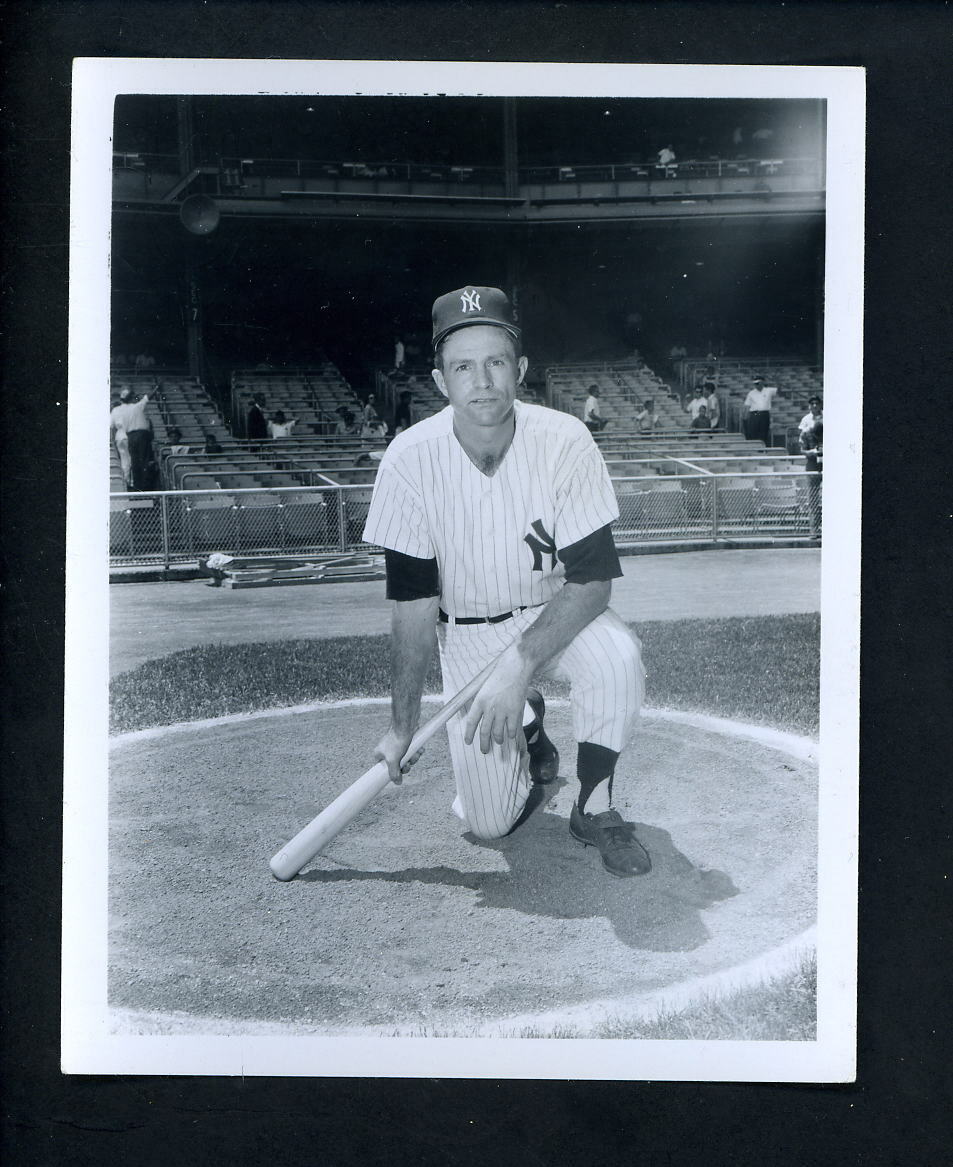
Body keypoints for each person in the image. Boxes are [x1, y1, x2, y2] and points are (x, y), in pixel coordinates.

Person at [362, 285, 650, 878]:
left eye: (495, 361)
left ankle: (595, 806)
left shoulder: (566, 440)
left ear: (519, 369)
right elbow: (414, 607)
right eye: (463, 366)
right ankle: (529, 729)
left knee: (619, 659)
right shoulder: (408, 460)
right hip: (466, 634)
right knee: (488, 824)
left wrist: (518, 667)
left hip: (556, 612)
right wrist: (401, 728)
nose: (482, 380)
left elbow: (593, 584)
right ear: (441, 380)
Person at [109, 386, 154, 490]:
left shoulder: (116, 410)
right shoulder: (135, 407)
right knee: (137, 461)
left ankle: (127, 483)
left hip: (121, 435)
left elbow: (111, 426)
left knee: (126, 461)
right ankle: (136, 484)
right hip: (130, 434)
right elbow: (147, 398)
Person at [798, 401, 823, 535]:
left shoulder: (831, 430)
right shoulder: (805, 433)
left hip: (830, 464)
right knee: (813, 497)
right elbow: (802, 450)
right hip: (812, 464)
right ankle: (813, 530)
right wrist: (812, 452)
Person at [742, 375, 778, 444]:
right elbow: (747, 405)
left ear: (762, 383)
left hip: (764, 413)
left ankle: (763, 447)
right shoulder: (751, 393)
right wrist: (745, 417)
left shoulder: (769, 390)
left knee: (764, 432)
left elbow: (779, 390)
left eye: (758, 383)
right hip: (754, 413)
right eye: (755, 384)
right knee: (753, 432)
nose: (756, 385)